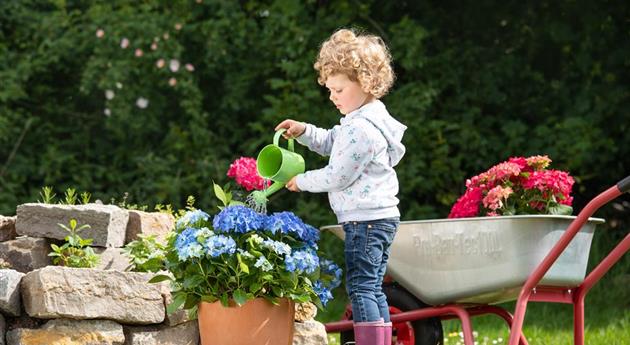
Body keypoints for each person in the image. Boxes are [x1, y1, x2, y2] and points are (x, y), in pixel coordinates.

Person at [275, 28, 406, 345]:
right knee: (371, 287)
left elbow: (338, 175)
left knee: (362, 287)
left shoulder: (362, 129)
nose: (332, 96)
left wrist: (301, 181)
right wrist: (304, 131)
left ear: (365, 83)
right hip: (375, 218)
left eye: (338, 89)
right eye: (330, 90)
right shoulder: (362, 119)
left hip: (367, 221)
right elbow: (332, 141)